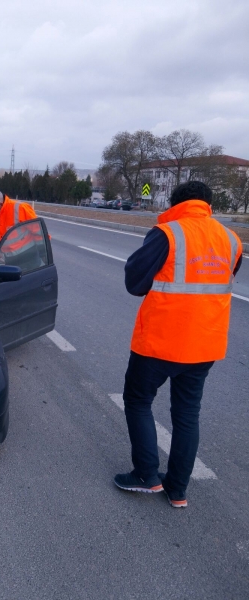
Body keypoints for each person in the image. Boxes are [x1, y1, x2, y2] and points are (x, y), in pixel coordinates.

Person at [114, 181, 243, 508]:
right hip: (204, 344)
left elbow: (134, 282)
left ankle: (147, 475)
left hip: (159, 342)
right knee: (187, 414)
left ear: (175, 201)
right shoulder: (232, 240)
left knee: (138, 400)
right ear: (209, 204)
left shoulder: (168, 233)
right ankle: (177, 489)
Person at [0, 188, 38, 252]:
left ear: (0, 204)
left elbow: (38, 232)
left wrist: (42, 253)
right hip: (8, 258)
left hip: (28, 254)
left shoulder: (20, 208)